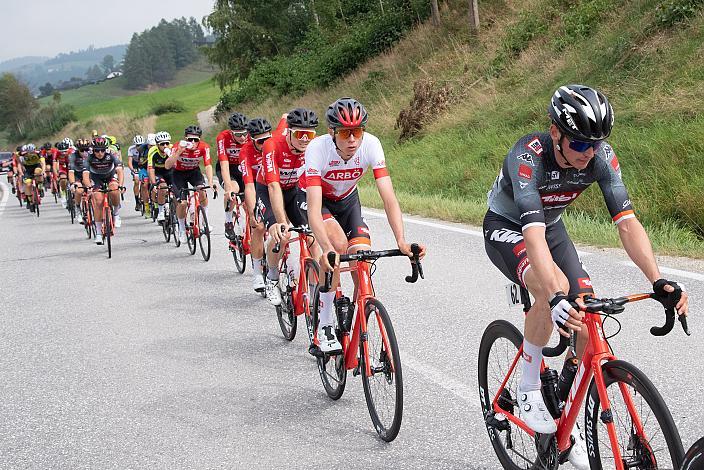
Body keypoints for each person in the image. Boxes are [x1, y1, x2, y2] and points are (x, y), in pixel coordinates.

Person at [483, 84, 689, 469]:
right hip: (510, 227)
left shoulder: (599, 157)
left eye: (596, 144)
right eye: (580, 144)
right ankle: (528, 386)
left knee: (587, 307)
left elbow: (627, 224)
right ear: (556, 132)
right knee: (555, 289)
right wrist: (554, 295)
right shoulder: (528, 157)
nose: (589, 153)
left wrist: (657, 280)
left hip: (551, 228)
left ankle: (566, 413)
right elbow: (533, 235)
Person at [305, 97, 426, 352]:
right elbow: (314, 210)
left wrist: (401, 241)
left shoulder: (371, 145)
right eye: (346, 133)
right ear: (332, 132)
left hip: (348, 201)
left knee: (362, 256)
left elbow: (388, 197)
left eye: (357, 132)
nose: (352, 140)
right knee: (336, 246)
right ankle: (324, 324)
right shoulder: (317, 149)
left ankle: (361, 312)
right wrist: (325, 248)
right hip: (322, 201)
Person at [260, 108, 319, 306]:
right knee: (282, 234)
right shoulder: (272, 145)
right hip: (268, 190)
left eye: (309, 134)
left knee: (312, 235)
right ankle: (272, 277)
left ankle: (314, 291)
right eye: (299, 134)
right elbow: (273, 186)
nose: (304, 139)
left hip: (293, 190)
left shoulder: (313, 147)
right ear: (289, 132)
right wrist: (281, 221)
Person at [165, 125, 216, 242]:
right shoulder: (178, 146)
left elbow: (208, 165)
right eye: (189, 139)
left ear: (200, 140)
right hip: (178, 174)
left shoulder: (204, 147)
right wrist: (178, 153)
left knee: (202, 190)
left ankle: (205, 221)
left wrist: (211, 181)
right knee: (182, 203)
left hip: (194, 172)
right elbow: (167, 165)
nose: (192, 142)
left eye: (196, 140)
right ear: (185, 139)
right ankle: (182, 229)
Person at [82, 136, 124, 241]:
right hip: (96, 179)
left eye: (102, 150)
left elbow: (119, 171)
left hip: (110, 176)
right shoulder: (89, 157)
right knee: (99, 201)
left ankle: (116, 213)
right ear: (93, 150)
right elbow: (86, 176)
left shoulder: (111, 154)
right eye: (97, 150)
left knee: (114, 190)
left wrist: (121, 185)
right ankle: (99, 233)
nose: (100, 153)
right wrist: (89, 187)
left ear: (106, 149)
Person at [216, 112, 249, 239]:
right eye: (238, 134)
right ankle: (228, 222)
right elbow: (224, 165)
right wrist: (228, 189)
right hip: (228, 167)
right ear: (231, 132)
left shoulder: (251, 136)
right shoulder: (222, 138)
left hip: (243, 168)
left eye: (245, 133)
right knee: (233, 190)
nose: (242, 137)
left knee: (250, 204)